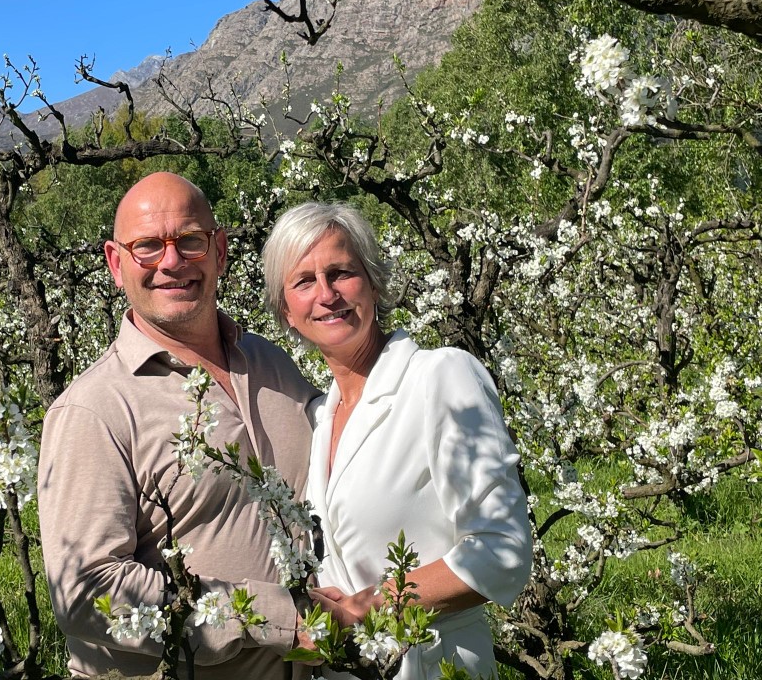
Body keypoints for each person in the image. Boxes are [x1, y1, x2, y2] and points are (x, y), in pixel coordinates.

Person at [37, 172, 319, 680]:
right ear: (115, 263)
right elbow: (84, 594)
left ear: (220, 251)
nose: (171, 262)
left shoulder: (273, 364)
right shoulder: (94, 410)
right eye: (147, 246)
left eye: (190, 241)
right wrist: (278, 618)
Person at [262, 202, 533, 680]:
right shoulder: (321, 417)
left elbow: (502, 550)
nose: (326, 294)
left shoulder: (439, 377)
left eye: (341, 272)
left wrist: (372, 607)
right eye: (304, 281)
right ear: (286, 312)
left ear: (374, 284)